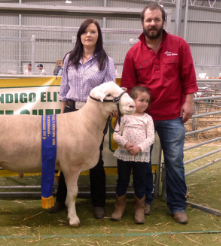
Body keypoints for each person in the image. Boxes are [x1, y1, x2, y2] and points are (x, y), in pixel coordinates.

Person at [121, 3, 198, 224]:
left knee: (174, 161)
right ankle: (144, 201)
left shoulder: (179, 45)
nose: (152, 23)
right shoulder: (133, 53)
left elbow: (188, 76)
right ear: (142, 23)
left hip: (173, 114)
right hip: (143, 119)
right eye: (148, 20)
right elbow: (128, 86)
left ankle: (177, 205)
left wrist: (189, 102)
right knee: (143, 161)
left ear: (163, 21)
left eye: (156, 19)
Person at [48, 18, 116, 219]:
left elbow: (110, 90)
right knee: (65, 158)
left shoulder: (106, 61)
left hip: (94, 116)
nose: (88, 35)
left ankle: (98, 203)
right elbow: (63, 89)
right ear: (80, 35)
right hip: (70, 111)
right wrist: (61, 115)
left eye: (93, 32)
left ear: (98, 35)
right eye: (85, 32)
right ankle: (61, 200)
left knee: (96, 159)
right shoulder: (70, 58)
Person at [111, 86, 154, 224]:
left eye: (147, 101)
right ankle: (119, 206)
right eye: (141, 100)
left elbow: (151, 138)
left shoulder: (148, 119)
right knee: (122, 181)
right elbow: (116, 134)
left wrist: (139, 148)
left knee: (140, 182)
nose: (145, 103)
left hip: (140, 157)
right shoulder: (124, 117)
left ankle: (139, 209)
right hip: (124, 155)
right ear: (132, 100)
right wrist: (126, 144)